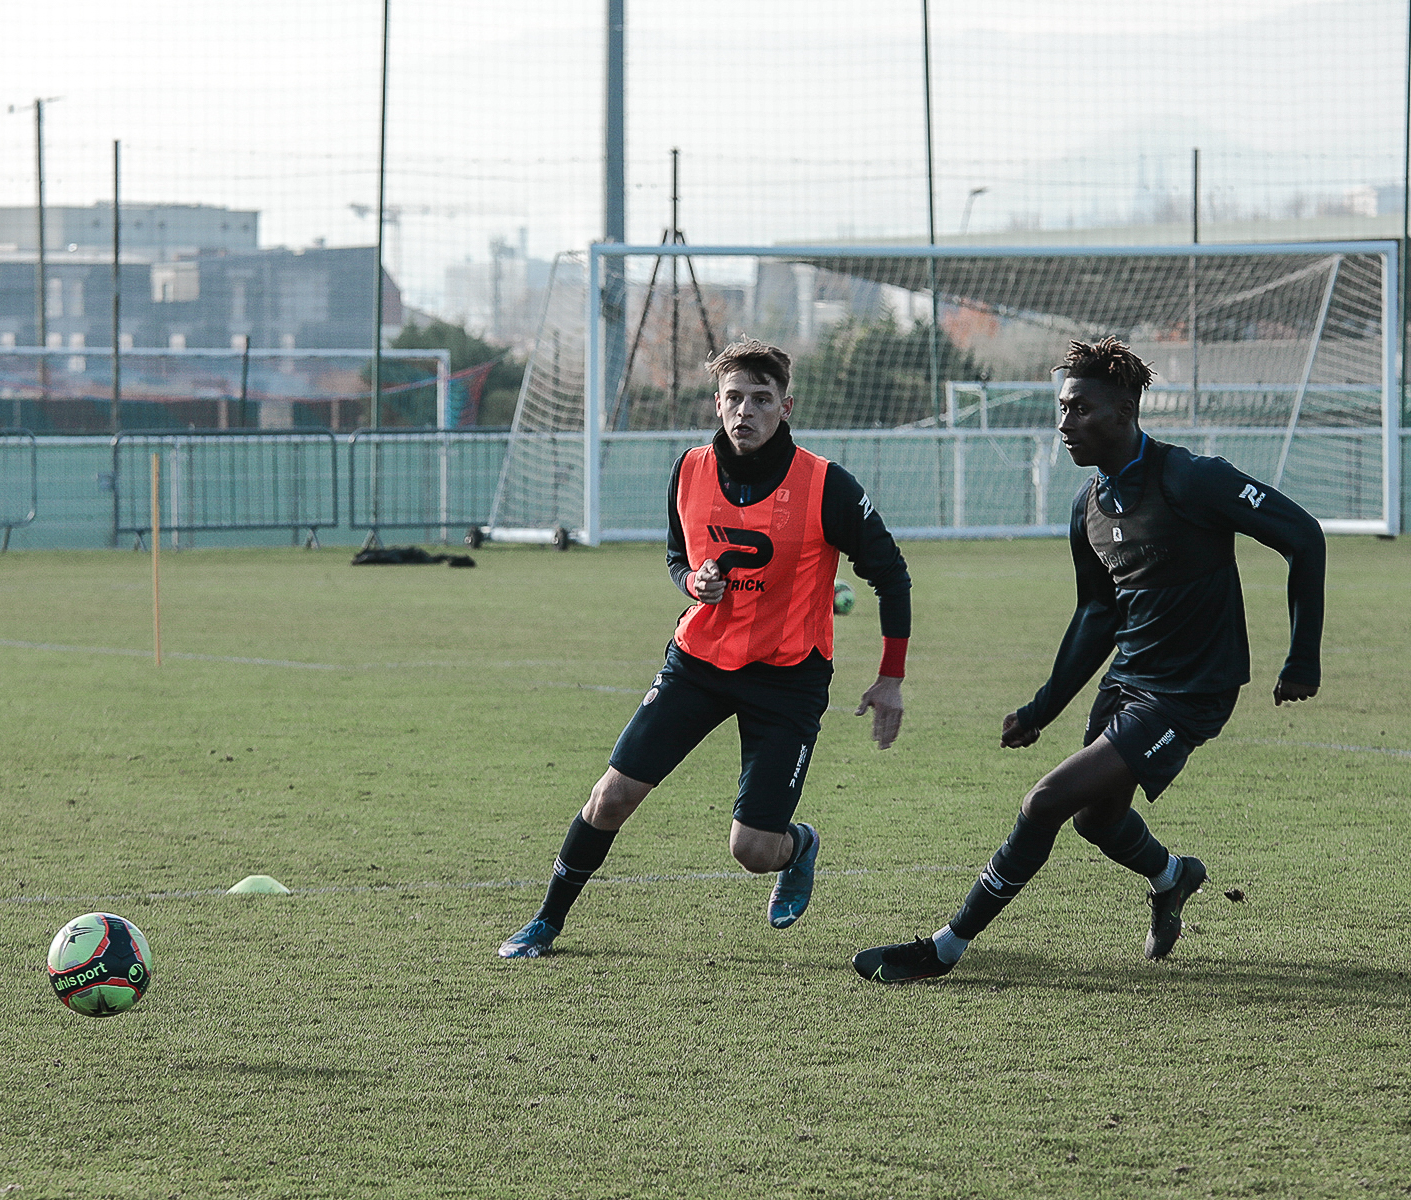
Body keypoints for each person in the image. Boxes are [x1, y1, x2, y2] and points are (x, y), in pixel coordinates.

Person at [853, 336, 1326, 983]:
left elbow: (1303, 535)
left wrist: (1303, 657)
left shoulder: (1192, 478)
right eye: (1062, 407)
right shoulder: (1089, 507)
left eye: (1079, 409)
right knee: (1095, 822)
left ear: (1124, 410)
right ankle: (1172, 875)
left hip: (1191, 692)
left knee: (1044, 801)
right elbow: (1097, 615)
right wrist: (1041, 708)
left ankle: (946, 947)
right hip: (1128, 680)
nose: (1063, 422)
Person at [499, 337, 913, 958]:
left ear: (786, 407)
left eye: (761, 399)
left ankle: (798, 845)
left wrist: (890, 677)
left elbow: (893, 575)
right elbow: (677, 559)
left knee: (751, 851)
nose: (745, 411)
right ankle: (546, 923)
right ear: (716, 403)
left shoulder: (827, 486)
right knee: (610, 797)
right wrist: (694, 582)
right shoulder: (688, 469)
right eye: (734, 397)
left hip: (788, 677)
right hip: (696, 663)